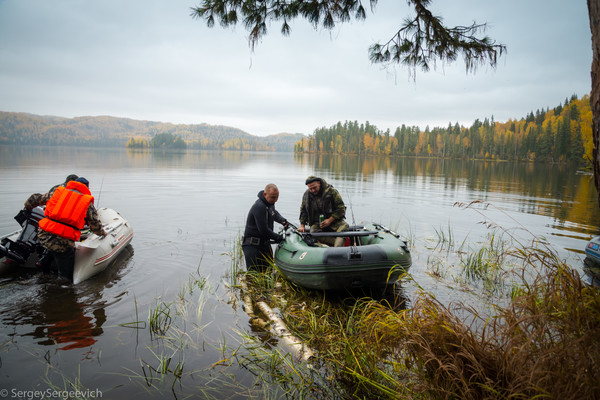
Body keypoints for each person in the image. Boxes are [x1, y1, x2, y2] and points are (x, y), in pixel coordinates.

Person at [24, 177, 106, 281]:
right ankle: (62, 287)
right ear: (86, 188)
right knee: (65, 275)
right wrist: (103, 233)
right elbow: (95, 225)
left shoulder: (57, 192)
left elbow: (35, 198)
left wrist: (27, 207)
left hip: (43, 235)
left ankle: (43, 265)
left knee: (53, 246)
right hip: (63, 241)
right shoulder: (86, 202)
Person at [242, 184, 288, 272]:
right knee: (254, 275)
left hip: (264, 244)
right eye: (273, 197)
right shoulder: (259, 206)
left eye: (277, 197)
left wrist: (282, 220)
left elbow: (273, 213)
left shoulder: (270, 203)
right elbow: (264, 230)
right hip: (252, 246)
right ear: (265, 194)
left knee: (269, 272)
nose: (276, 200)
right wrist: (278, 237)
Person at [298, 176, 349, 247]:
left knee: (344, 226)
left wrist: (330, 220)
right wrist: (302, 225)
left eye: (314, 188)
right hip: (318, 223)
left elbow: (341, 208)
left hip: (335, 221)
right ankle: (336, 243)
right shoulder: (306, 195)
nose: (313, 190)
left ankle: (337, 247)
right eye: (310, 189)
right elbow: (303, 210)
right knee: (313, 232)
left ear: (319, 183)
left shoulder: (332, 192)